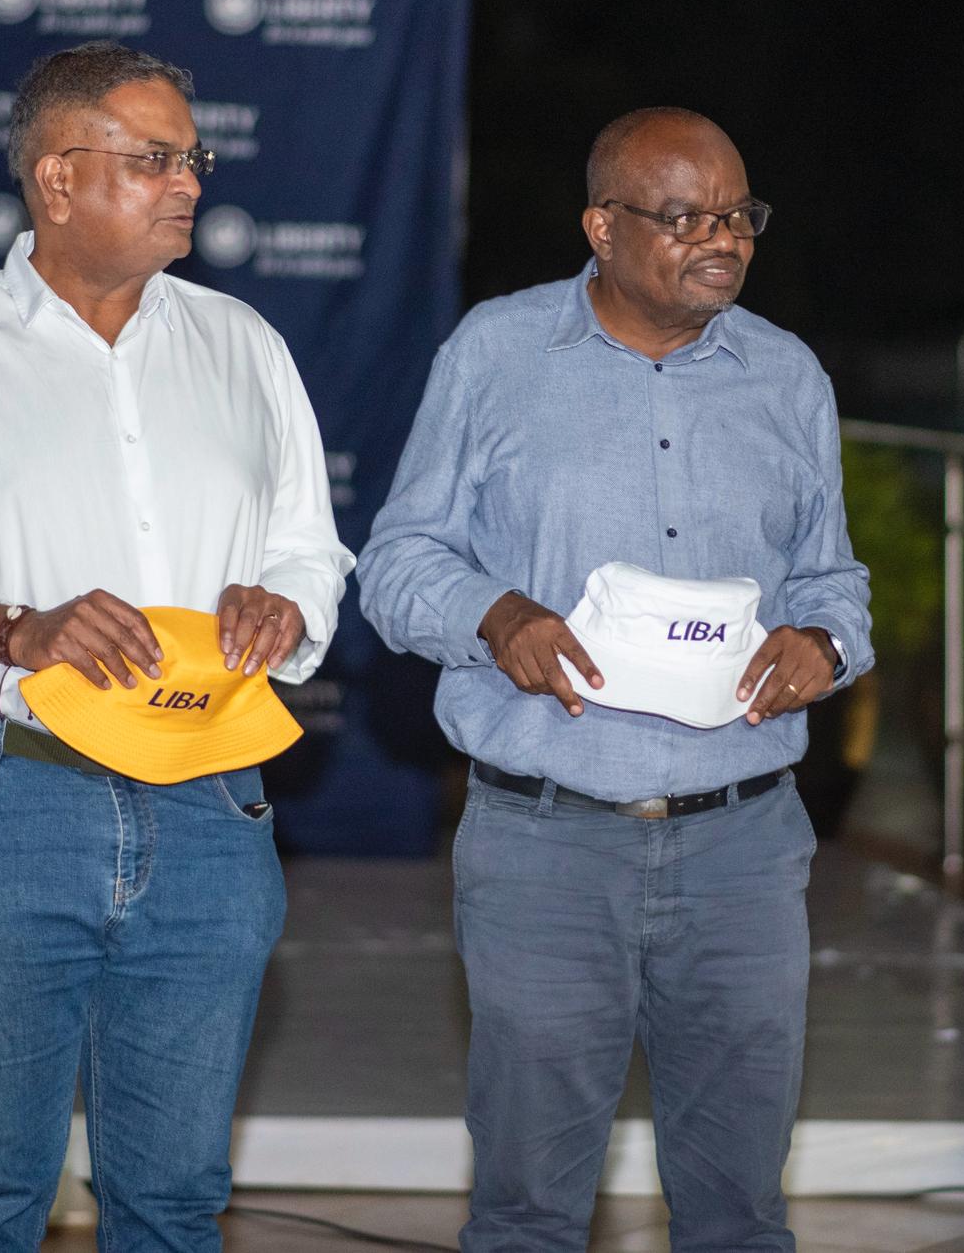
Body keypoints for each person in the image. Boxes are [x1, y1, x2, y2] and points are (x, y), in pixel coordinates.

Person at [0, 41, 353, 1253]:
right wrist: (17, 627)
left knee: (171, 1200)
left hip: (214, 807)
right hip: (6, 796)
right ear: (58, 178)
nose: (189, 184)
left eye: (191, 158)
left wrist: (286, 605)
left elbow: (314, 549)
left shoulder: (244, 347)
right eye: (154, 159)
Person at [359, 106, 874, 1253]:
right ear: (601, 225)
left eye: (738, 215)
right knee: (529, 1208)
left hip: (744, 847)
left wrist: (824, 646)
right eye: (685, 215)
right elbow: (396, 564)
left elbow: (835, 579)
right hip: (547, 841)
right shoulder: (495, 354)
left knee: (739, 1209)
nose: (722, 238)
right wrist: (495, 616)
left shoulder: (786, 376)